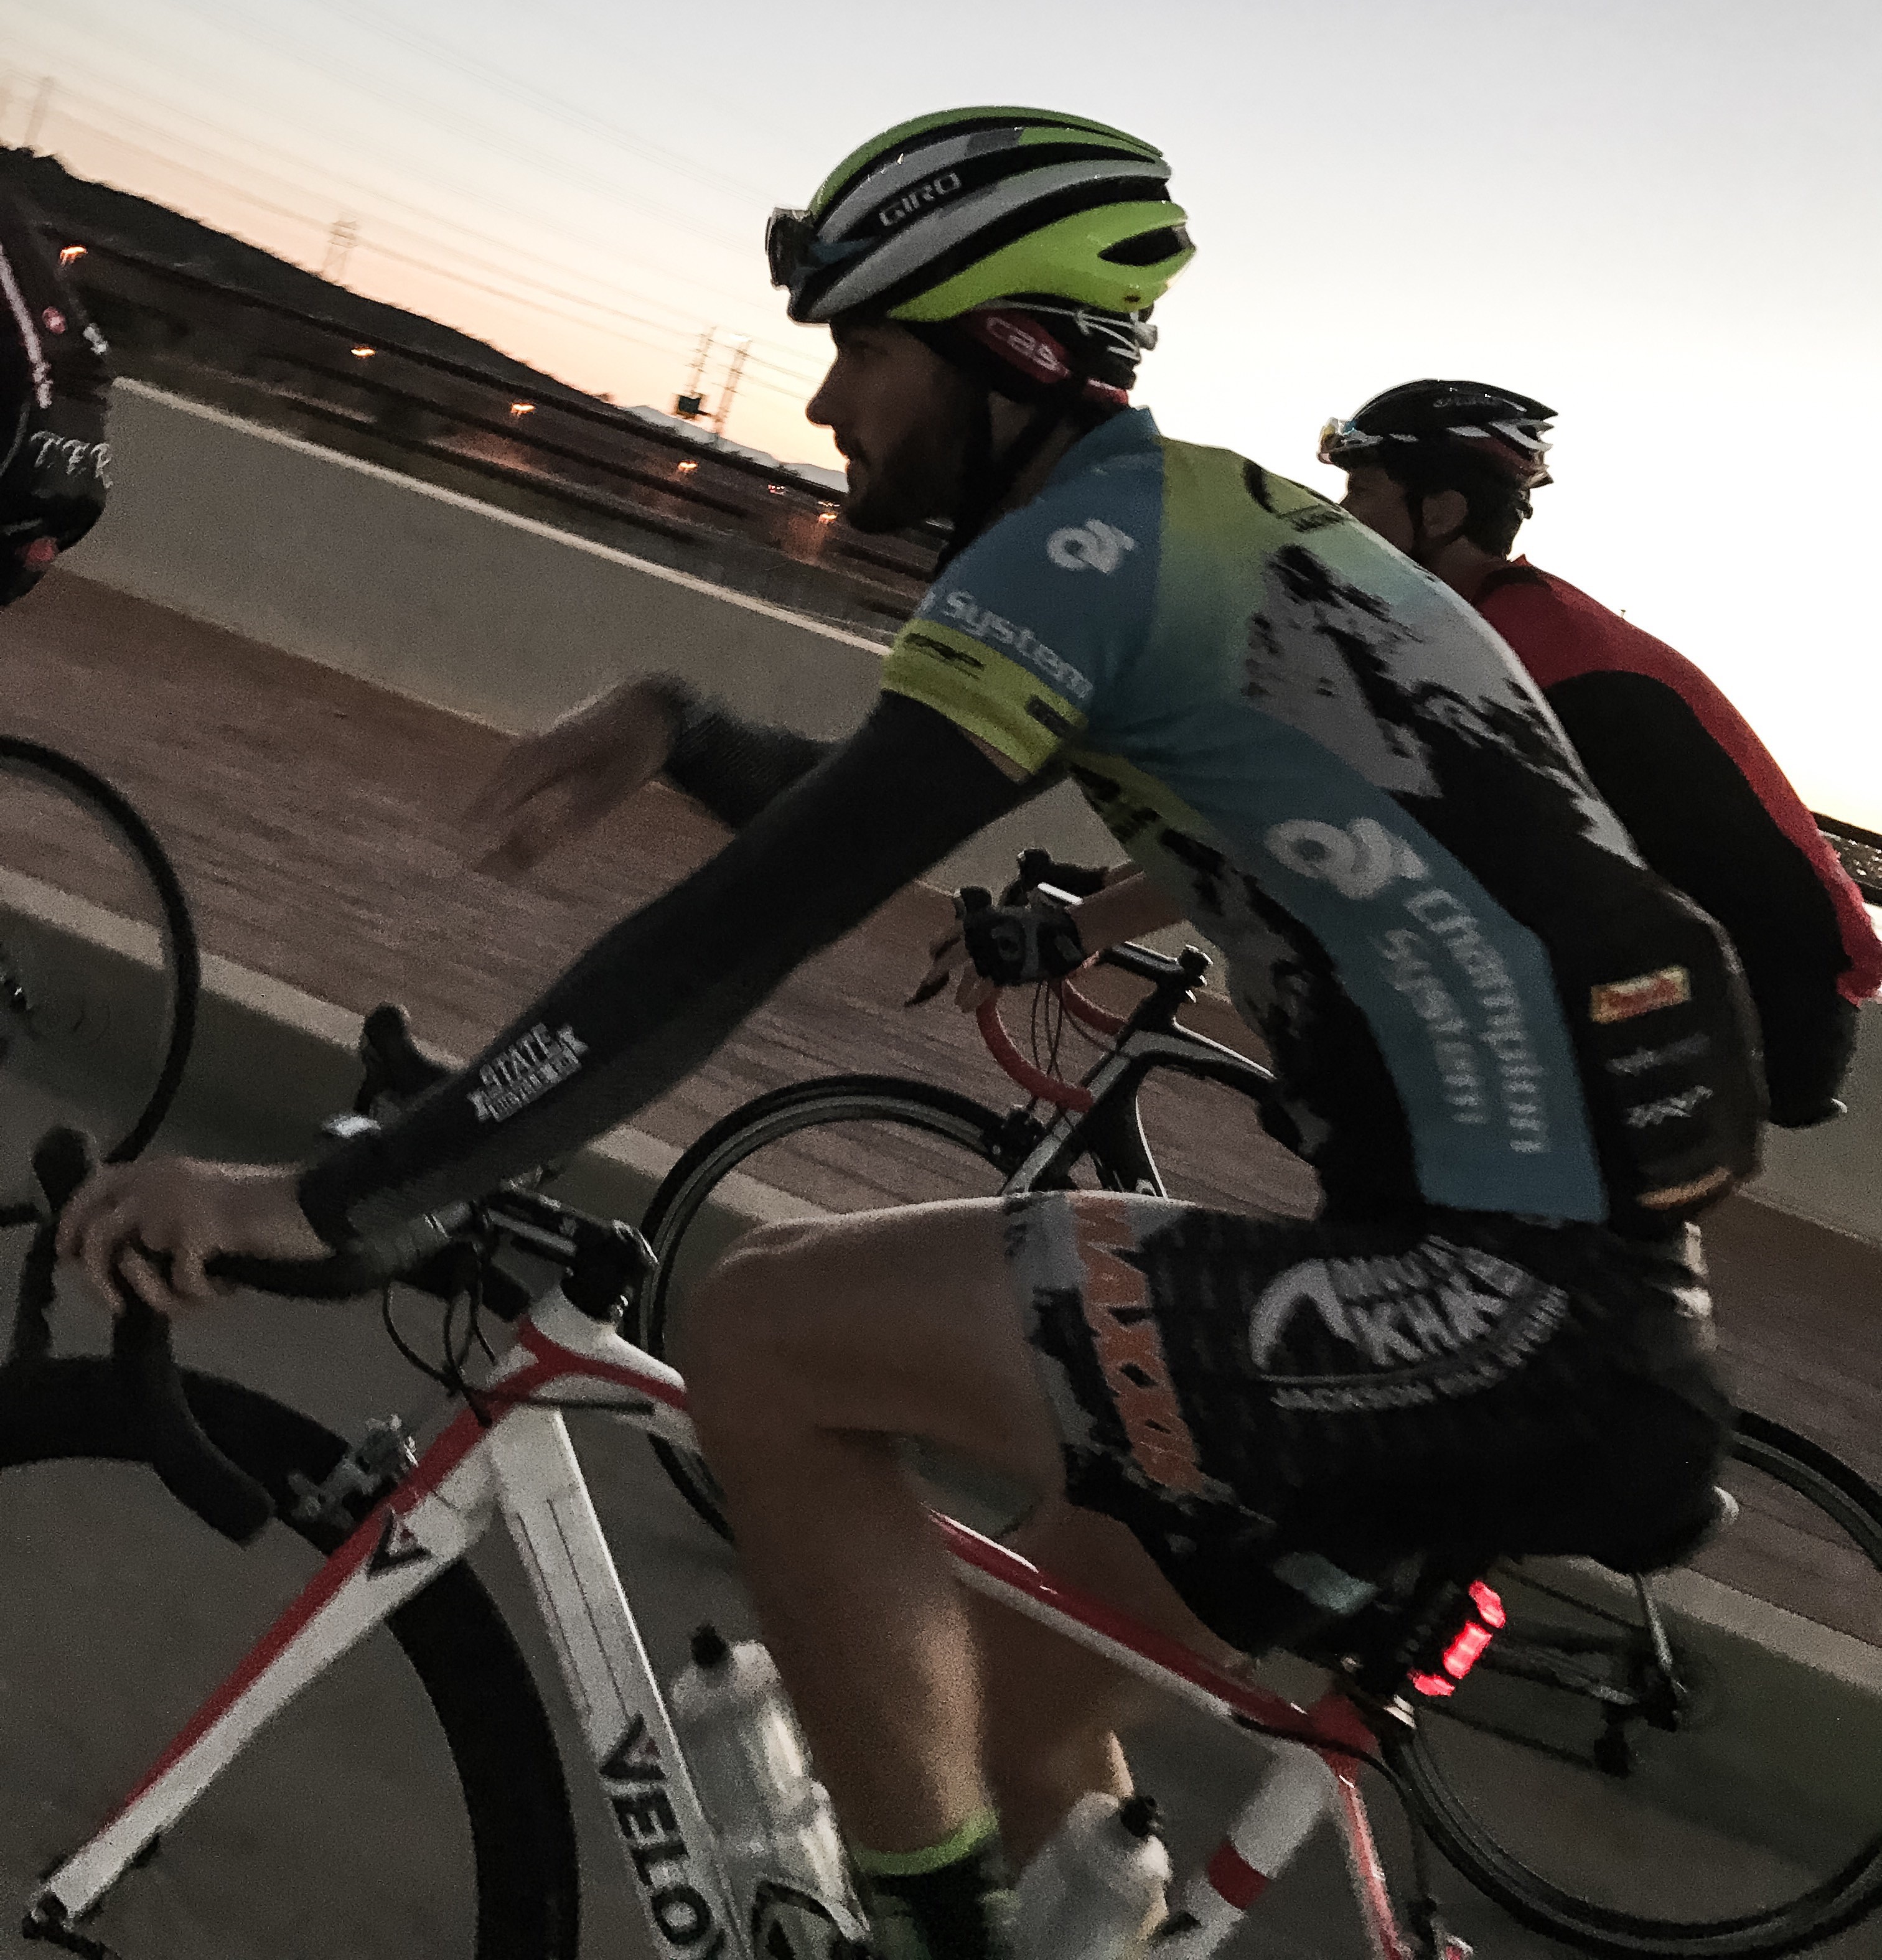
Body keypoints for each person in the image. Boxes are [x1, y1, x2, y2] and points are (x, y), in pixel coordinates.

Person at [57, 110, 1766, 1960]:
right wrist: (688, 726)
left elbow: (739, 932)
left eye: (864, 347)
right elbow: (867, 815)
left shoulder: (1085, 557)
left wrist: (342, 1194)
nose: (826, 404)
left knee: (763, 1331)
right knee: (1011, 1743)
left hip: (1489, 1308)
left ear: (1003, 354)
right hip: (1536, 1299)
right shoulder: (1188, 531)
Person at [1318, 380, 1881, 1128]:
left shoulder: (1519, 649)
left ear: (1442, 513)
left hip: (1759, 1000)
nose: (1340, 517)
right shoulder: (1497, 620)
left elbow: (1369, 812)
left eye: (1361, 491)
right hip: (1702, 969)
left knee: (1376, 1098)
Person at [0, 192, 113, 604]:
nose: (44, 555)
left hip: (63, 368)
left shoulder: (71, 516)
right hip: (53, 365)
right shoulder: (64, 517)